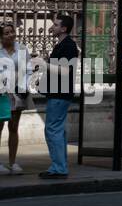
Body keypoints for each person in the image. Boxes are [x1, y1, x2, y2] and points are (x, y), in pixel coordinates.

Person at [41, 14, 79, 180]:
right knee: (57, 130)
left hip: (59, 94)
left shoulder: (69, 46)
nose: (53, 27)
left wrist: (44, 64)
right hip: (58, 93)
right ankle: (60, 165)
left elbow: (65, 71)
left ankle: (58, 168)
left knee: (52, 130)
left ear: (64, 28)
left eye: (56, 25)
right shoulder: (62, 44)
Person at [1, 24, 33, 173]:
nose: (10, 35)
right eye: (6, 33)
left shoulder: (22, 49)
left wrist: (24, 87)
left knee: (13, 127)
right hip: (1, 93)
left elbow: (28, 69)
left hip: (17, 93)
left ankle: (13, 163)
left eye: (12, 32)